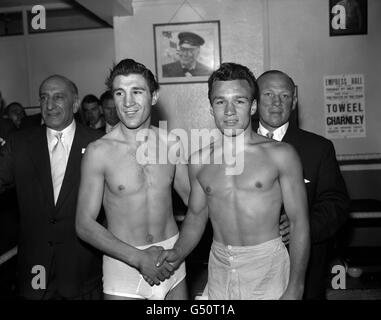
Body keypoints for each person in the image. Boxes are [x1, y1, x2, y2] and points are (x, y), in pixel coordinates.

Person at [157, 62, 310, 300]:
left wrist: (296, 287)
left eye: (239, 101)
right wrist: (177, 252)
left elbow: (299, 222)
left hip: (268, 266)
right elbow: (196, 218)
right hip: (219, 265)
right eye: (220, 102)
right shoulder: (199, 160)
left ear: (253, 106)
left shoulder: (281, 154)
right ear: (211, 108)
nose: (229, 111)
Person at [75, 58, 190, 300]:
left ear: (154, 96)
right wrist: (139, 259)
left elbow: (196, 202)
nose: (127, 102)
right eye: (119, 93)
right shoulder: (99, 151)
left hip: (172, 261)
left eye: (137, 92)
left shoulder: (171, 143)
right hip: (124, 266)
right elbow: (84, 224)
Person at [0, 75, 104, 299]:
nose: (49, 105)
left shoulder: (100, 143)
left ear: (75, 104)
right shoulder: (19, 144)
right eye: (44, 97)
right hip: (36, 273)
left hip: (82, 272)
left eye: (58, 97)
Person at [254, 70, 350, 299]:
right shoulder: (234, 149)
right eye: (268, 94)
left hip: (302, 275)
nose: (277, 102)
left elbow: (336, 205)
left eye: (285, 96)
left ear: (294, 101)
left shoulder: (318, 148)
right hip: (250, 273)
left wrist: (300, 228)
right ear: (255, 101)